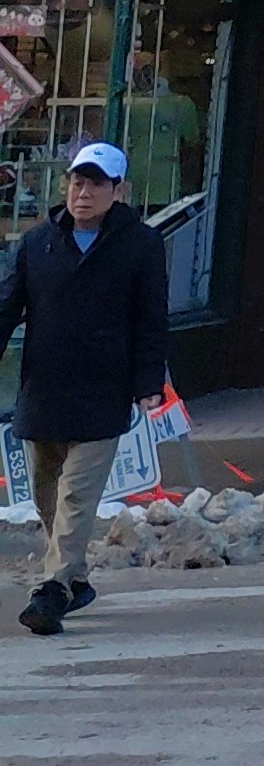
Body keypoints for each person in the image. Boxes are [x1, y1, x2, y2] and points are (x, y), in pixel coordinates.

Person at [0, 142, 170, 635]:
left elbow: (151, 319)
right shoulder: (37, 244)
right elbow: (9, 308)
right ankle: (75, 581)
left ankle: (51, 590)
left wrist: (147, 383)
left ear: (118, 191)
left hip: (102, 392)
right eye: (77, 182)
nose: (84, 192)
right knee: (47, 495)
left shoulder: (139, 245)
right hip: (43, 391)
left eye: (96, 184)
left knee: (76, 495)